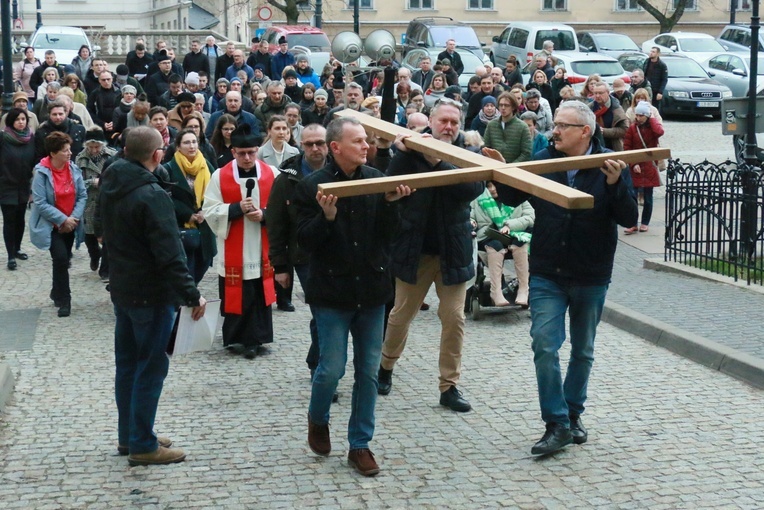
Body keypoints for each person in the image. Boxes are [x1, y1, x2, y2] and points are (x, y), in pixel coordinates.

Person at [492, 100, 637, 455]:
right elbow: (511, 196)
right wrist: (497, 172)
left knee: (583, 351)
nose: (553, 130)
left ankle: (573, 415)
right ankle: (555, 423)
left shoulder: (609, 164)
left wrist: (616, 183)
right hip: (548, 272)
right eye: (554, 123)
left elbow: (629, 215)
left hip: (591, 273)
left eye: (562, 125)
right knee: (544, 344)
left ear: (584, 132)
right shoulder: (543, 160)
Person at [293, 116, 411, 476]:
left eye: (367, 141)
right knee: (330, 369)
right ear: (335, 147)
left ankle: (360, 444)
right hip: (332, 292)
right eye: (358, 141)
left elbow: (389, 236)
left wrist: (393, 204)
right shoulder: (311, 186)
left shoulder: (377, 181)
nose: (366, 146)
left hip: (372, 291)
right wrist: (326, 218)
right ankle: (318, 418)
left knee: (368, 372)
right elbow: (304, 242)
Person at [100, 126, 206, 466]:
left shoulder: (112, 182)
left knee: (128, 365)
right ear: (156, 155)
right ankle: (143, 443)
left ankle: (130, 433)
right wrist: (192, 294)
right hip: (151, 294)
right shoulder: (151, 195)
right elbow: (169, 254)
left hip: (124, 290)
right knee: (150, 366)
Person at [378, 98, 485, 412]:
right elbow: (388, 183)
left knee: (454, 318)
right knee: (400, 316)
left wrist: (437, 162)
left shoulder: (469, 153)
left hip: (453, 250)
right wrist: (401, 151)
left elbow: (472, 189)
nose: (449, 127)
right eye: (443, 121)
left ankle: (448, 386)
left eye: (454, 122)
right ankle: (385, 367)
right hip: (416, 249)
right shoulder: (410, 150)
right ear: (431, 122)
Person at [203, 124, 279, 359]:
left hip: (260, 247)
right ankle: (236, 338)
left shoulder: (272, 174)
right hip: (234, 248)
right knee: (239, 294)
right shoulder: (220, 176)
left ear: (257, 150)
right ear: (233, 152)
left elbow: (284, 209)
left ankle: (257, 338)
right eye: (241, 153)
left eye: (251, 152)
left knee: (258, 294)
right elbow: (209, 210)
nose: (247, 158)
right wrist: (236, 208)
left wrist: (264, 214)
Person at [267, 124, 328, 378]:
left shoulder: (341, 172)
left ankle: (319, 360)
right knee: (322, 312)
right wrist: (280, 266)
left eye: (319, 143)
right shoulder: (286, 180)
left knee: (328, 313)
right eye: (309, 144)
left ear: (329, 144)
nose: (315, 148)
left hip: (339, 252)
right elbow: (276, 223)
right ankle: (321, 368)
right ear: (300, 145)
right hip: (304, 256)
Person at [29, 131, 87, 317]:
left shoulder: (73, 169)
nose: (69, 153)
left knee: (62, 260)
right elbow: (40, 203)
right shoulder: (41, 173)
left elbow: (82, 195)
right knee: (61, 258)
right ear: (53, 153)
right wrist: (62, 219)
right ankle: (65, 300)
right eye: (65, 151)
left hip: (71, 225)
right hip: (52, 226)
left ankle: (56, 291)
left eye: (70, 150)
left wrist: (73, 219)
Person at [162, 129, 216, 283]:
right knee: (186, 269)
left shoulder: (207, 166)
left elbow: (216, 192)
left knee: (202, 264)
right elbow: (164, 198)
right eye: (186, 142)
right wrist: (187, 214)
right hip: (181, 226)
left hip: (204, 225)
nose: (191, 146)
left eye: (194, 142)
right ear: (178, 147)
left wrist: (205, 211)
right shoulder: (168, 169)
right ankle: (185, 302)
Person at [470, 182, 534, 307]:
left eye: (496, 186)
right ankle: (496, 292)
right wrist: (472, 222)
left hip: (515, 234)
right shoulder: (477, 200)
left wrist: (509, 225)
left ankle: (523, 289)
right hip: (489, 236)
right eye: (489, 186)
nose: (493, 189)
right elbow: (470, 216)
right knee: (495, 245)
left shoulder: (517, 197)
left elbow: (530, 217)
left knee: (520, 243)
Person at [76, 127, 117, 279]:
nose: (93, 150)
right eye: (90, 147)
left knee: (106, 235)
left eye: (97, 147)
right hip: (88, 200)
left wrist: (102, 182)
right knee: (89, 235)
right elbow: (77, 180)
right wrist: (91, 182)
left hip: (106, 199)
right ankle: (94, 255)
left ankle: (105, 269)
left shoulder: (111, 156)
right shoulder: (81, 158)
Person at [0, 108, 36, 271]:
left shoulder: (30, 138)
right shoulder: (3, 138)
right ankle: (10, 255)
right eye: (17, 119)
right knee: (9, 220)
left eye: (23, 119)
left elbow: (35, 159)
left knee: (20, 218)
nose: (21, 122)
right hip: (6, 185)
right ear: (11, 122)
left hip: (23, 184)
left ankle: (17, 248)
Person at [623, 101, 664, 235]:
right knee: (632, 197)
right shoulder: (632, 129)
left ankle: (645, 223)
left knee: (648, 198)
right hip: (636, 164)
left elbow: (659, 131)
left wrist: (651, 118)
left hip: (649, 165)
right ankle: (633, 223)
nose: (638, 118)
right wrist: (633, 164)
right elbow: (627, 147)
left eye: (641, 115)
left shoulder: (652, 127)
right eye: (637, 115)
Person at [483, 92, 532, 165]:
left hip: (515, 169)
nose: (503, 108)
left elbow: (526, 153)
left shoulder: (523, 127)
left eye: (506, 105)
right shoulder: (491, 125)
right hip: (494, 166)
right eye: (501, 105)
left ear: (513, 107)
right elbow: (486, 148)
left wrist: (510, 166)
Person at [590, 82, 629, 152]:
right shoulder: (590, 108)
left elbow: (624, 130)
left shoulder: (616, 108)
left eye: (600, 93)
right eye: (595, 93)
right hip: (594, 148)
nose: (597, 96)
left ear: (608, 93)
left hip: (613, 147)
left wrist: (603, 131)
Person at [642, 47, 668, 111]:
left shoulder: (662, 65)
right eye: (651, 51)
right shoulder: (647, 62)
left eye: (653, 52)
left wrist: (660, 92)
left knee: (654, 108)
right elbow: (643, 74)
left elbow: (664, 79)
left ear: (658, 54)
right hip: (646, 88)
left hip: (655, 90)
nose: (651, 53)